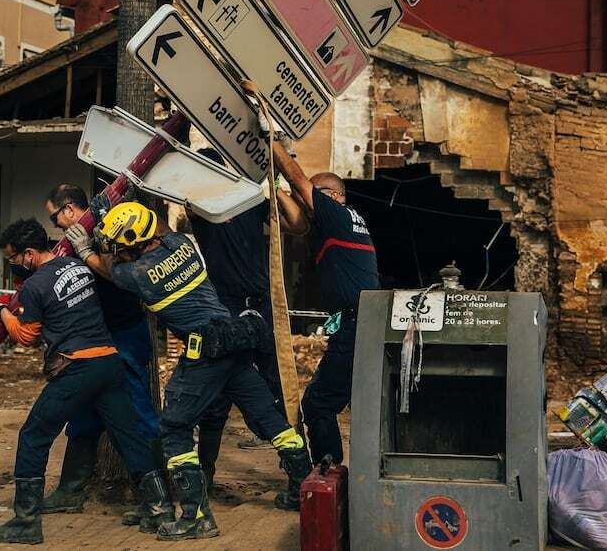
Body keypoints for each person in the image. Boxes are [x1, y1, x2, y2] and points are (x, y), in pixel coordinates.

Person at [67, 202, 313, 541]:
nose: (119, 253)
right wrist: (114, 220)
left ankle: (196, 517)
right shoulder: (181, 245)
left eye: (123, 247)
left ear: (137, 245)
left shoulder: (136, 275)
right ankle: (305, 491)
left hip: (205, 351)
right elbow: (160, 231)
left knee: (174, 427)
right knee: (267, 418)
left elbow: (104, 267)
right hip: (233, 339)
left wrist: (85, 249)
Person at [0, 218, 172, 545]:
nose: (13, 264)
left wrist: (2, 309)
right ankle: (161, 509)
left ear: (28, 255)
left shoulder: (35, 285)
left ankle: (25, 521)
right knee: (129, 437)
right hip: (109, 363)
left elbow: (26, 335)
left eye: (13, 259)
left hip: (78, 368)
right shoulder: (76, 266)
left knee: (34, 434)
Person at [187, 148, 308, 489]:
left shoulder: (251, 200)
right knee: (217, 394)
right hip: (223, 308)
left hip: (259, 305)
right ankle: (206, 475)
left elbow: (297, 224)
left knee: (275, 387)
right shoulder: (197, 205)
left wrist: (272, 183)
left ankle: (297, 479)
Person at [40, 183, 160, 520]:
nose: (56, 224)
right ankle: (70, 490)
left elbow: (122, 276)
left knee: (137, 413)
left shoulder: (109, 231)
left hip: (123, 335)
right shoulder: (75, 242)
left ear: (68, 210)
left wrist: (89, 250)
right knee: (82, 412)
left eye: (55, 216)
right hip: (94, 339)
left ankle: (158, 493)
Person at [271, 141, 380, 465]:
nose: (307, 203)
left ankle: (327, 475)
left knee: (318, 404)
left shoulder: (335, 213)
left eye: (313, 197)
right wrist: (272, 185)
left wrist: (272, 140)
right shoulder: (343, 222)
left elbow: (298, 180)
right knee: (340, 401)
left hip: (356, 327)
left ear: (333, 196)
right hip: (361, 324)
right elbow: (293, 222)